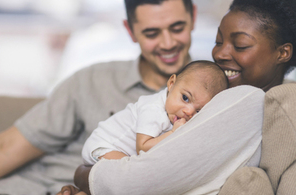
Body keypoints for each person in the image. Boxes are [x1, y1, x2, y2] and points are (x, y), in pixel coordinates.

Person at [58, 0, 296, 194]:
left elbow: (134, 181)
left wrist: (83, 174)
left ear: (283, 52)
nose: (220, 54)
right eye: (218, 41)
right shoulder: (224, 97)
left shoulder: (247, 100)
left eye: (241, 45)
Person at [0, 0, 196, 194]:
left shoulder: (212, 100)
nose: (168, 43)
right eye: (151, 33)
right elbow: (6, 147)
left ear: (193, 18)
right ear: (130, 31)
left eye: (177, 28)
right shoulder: (93, 80)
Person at [82, 61, 228, 165]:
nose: (188, 112)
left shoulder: (175, 115)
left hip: (121, 152)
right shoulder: (154, 109)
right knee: (130, 175)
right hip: (103, 145)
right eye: (185, 98)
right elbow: (143, 147)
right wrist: (173, 134)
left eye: (199, 111)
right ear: (171, 83)